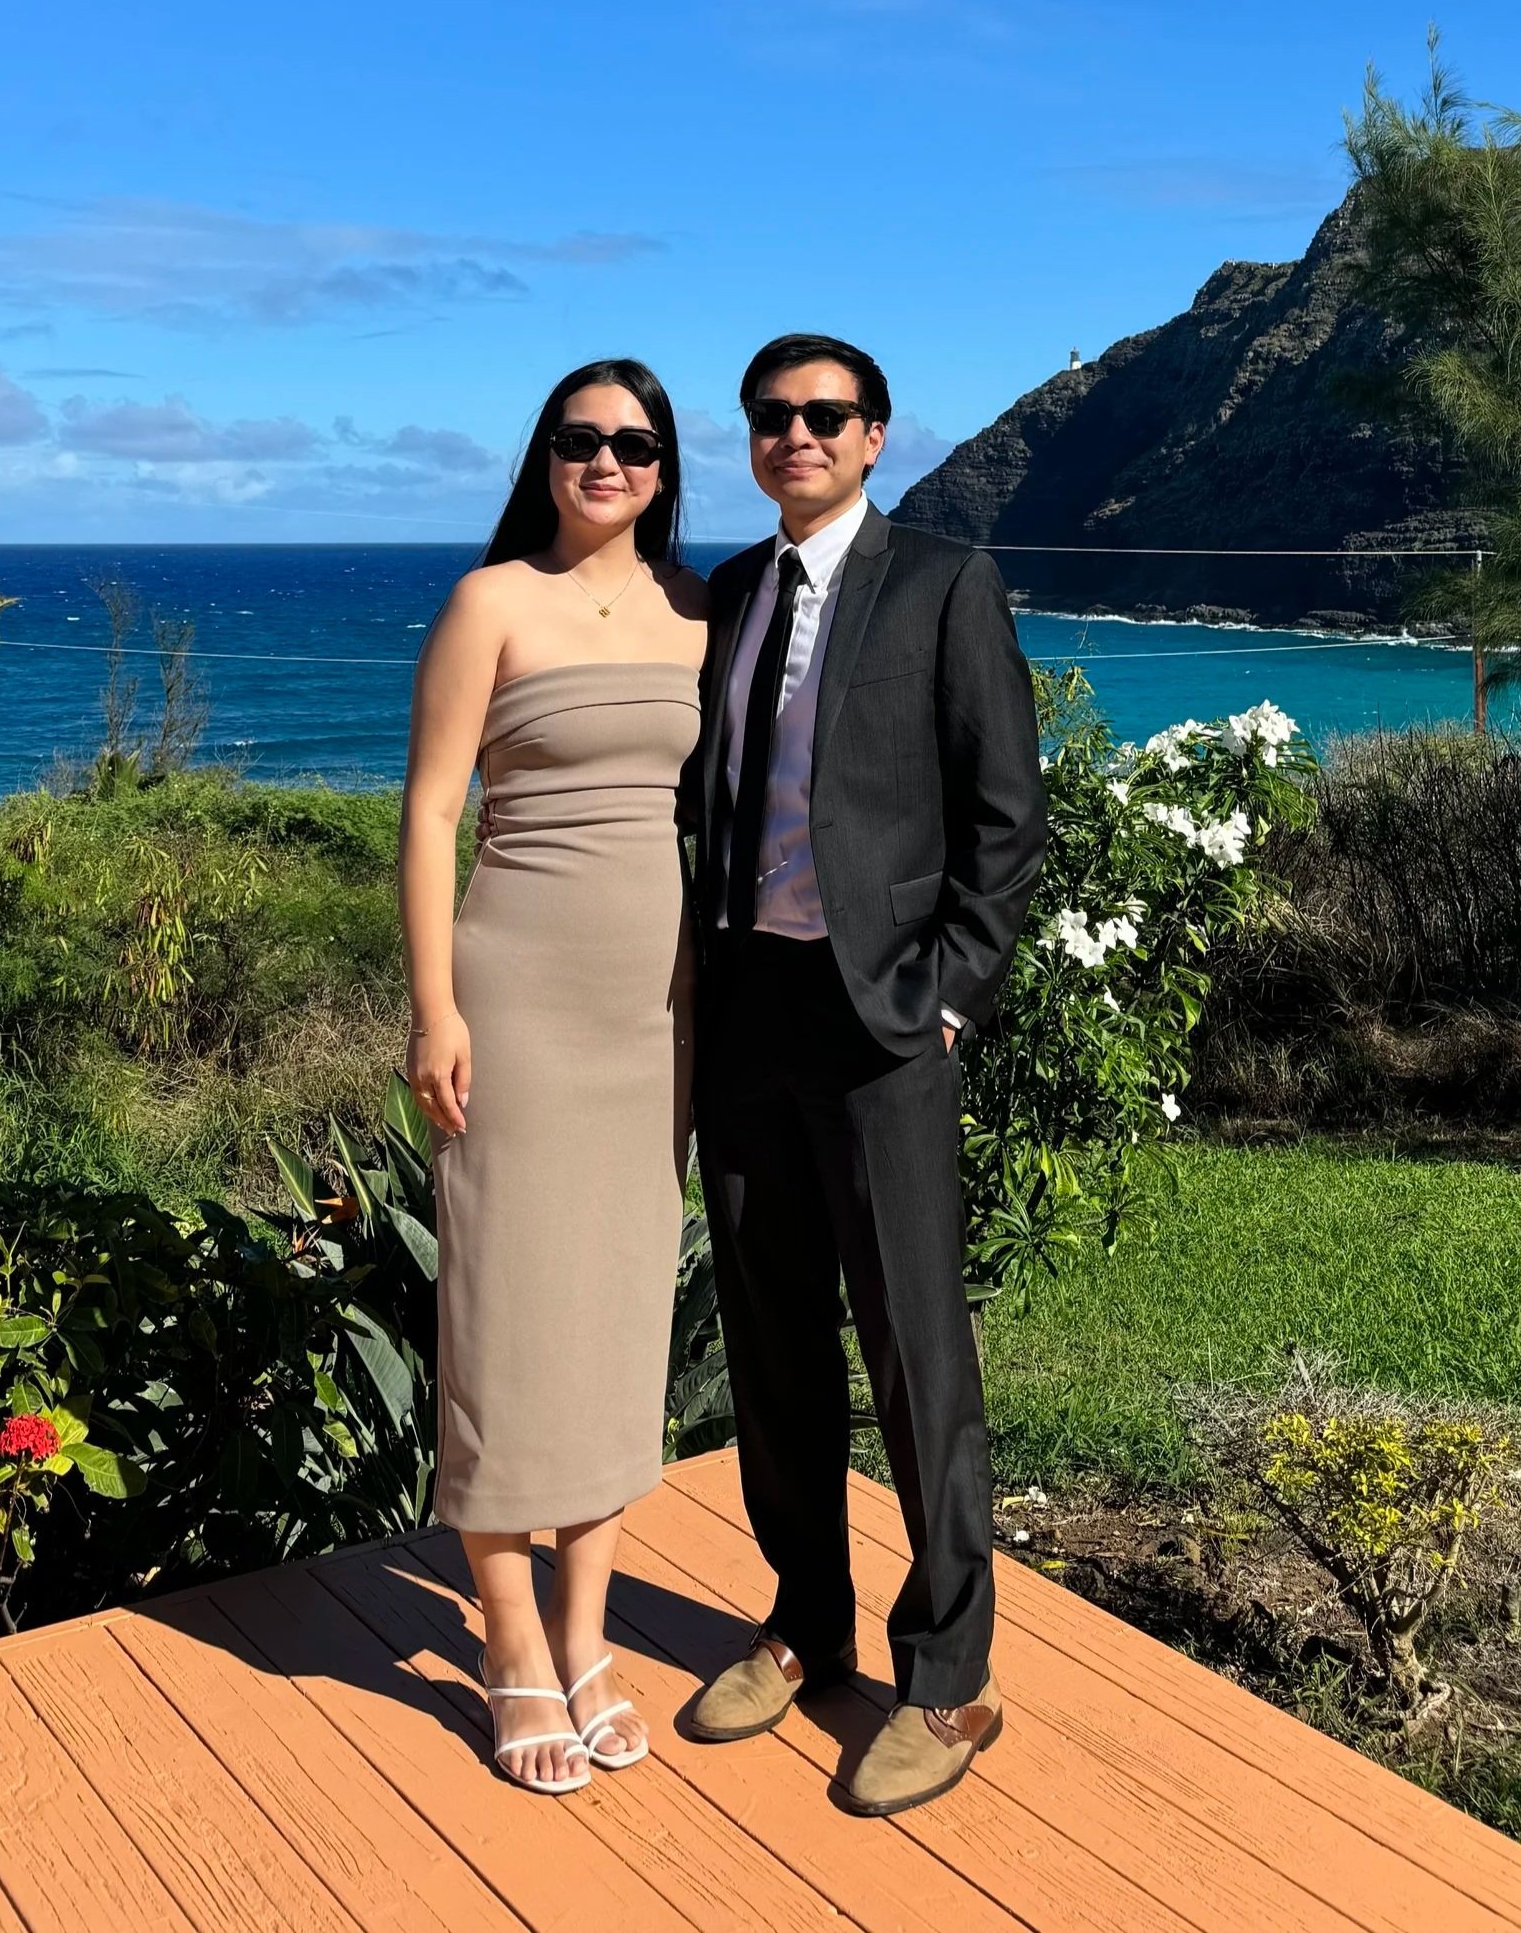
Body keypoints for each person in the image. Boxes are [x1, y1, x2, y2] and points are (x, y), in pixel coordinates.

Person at [680, 332, 1045, 1816]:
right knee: (773, 1342)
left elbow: (1004, 816)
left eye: (823, 415)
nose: (796, 435)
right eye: (772, 417)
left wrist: (946, 1001)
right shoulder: (730, 594)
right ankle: (806, 1619)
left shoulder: (944, 585)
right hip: (747, 1011)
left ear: (877, 434)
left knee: (915, 1351)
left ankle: (949, 1678)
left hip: (883, 1023)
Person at [399, 358, 708, 1794]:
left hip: (657, 1015)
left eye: (634, 444)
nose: (606, 460)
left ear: (663, 467)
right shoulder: (490, 604)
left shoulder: (701, 611)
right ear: (544, 455)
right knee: (510, 1315)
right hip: (516, 1005)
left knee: (615, 1319)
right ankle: (511, 1641)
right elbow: (431, 810)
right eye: (582, 439)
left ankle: (589, 1633)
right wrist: (433, 1007)